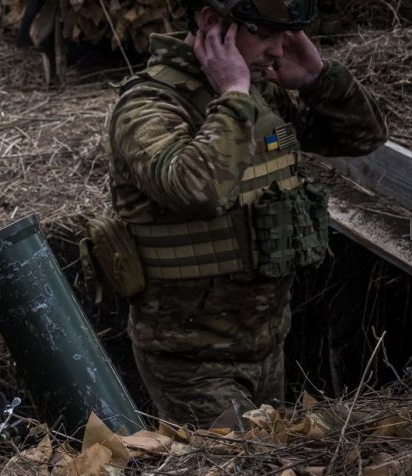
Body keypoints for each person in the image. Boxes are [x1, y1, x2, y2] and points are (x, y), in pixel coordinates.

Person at [106, 0, 387, 426]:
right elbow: (196, 189)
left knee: (272, 457)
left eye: (286, 35)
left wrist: (317, 80)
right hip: (191, 362)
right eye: (267, 33)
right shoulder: (150, 105)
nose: (279, 49)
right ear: (214, 25)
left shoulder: (263, 92)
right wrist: (234, 95)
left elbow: (362, 137)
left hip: (268, 345)